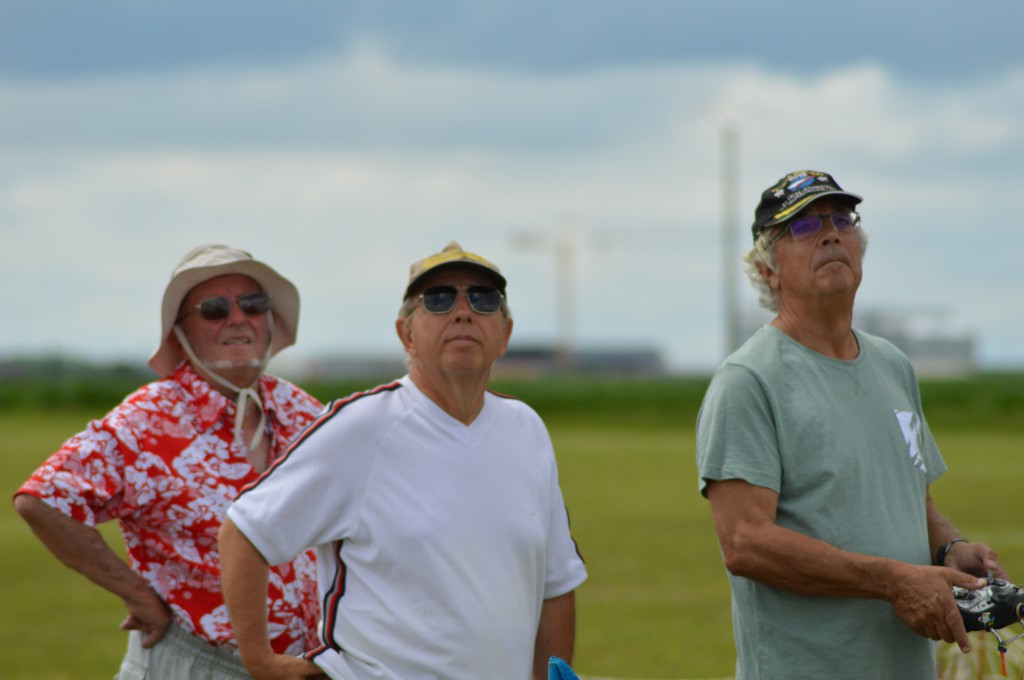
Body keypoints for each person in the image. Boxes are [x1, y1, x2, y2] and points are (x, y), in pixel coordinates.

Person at [218, 241, 588, 680]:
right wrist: (261, 661)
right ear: (405, 334)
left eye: (484, 300)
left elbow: (556, 584)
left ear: (505, 335)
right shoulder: (360, 427)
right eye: (438, 299)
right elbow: (245, 531)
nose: (464, 311)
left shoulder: (527, 429)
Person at [695, 170, 1007, 679]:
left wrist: (952, 550)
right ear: (767, 269)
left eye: (842, 219)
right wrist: (892, 581)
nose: (831, 233)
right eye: (802, 227)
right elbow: (745, 542)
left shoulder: (892, 365)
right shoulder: (748, 380)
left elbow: (913, 503)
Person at [14, 244, 326, 679]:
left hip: (299, 668)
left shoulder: (300, 409)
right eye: (214, 309)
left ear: (271, 320)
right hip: (195, 664)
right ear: (180, 333)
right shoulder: (148, 419)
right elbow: (44, 499)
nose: (238, 318)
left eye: (253, 304)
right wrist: (137, 594)